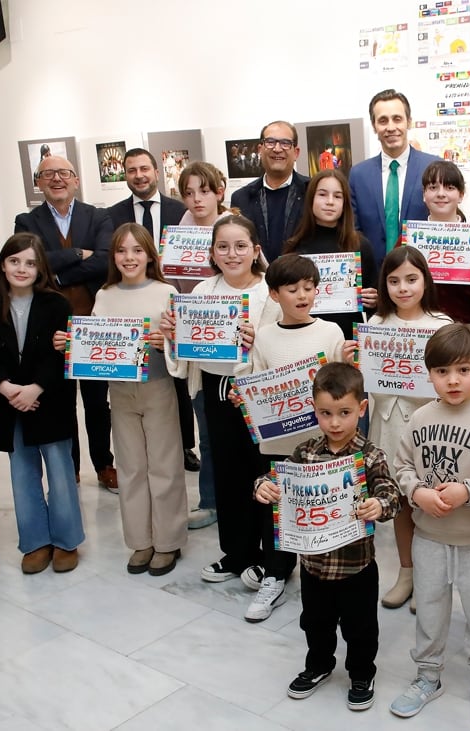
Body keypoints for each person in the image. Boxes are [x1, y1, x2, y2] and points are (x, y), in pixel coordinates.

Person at [389, 323, 470, 727]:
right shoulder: (419, 417)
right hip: (429, 536)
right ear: (428, 374)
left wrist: (469, 490)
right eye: (442, 371)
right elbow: (401, 466)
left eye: (463, 370)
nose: (452, 380)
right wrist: (418, 494)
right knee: (429, 610)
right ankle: (428, 676)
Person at [251, 363, 400, 711]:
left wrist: (379, 504)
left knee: (361, 628)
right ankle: (318, 665)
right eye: (326, 413)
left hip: (357, 566)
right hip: (314, 565)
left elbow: (391, 492)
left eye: (344, 413)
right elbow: (275, 478)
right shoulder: (304, 452)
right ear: (314, 409)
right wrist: (264, 486)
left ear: (361, 409)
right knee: (314, 622)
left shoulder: (370, 455)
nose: (335, 423)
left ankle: (362, 672)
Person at [56, 224, 185, 576]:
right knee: (130, 467)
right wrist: (71, 345)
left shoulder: (166, 291)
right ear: (113, 257)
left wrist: (167, 342)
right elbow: (95, 346)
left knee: (163, 465)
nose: (129, 258)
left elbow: (180, 343)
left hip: (157, 387)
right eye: (122, 251)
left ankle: (168, 541)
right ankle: (140, 540)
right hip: (120, 391)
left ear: (149, 255)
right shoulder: (105, 294)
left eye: (137, 251)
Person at [162, 216, 283, 587]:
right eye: (223, 247)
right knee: (227, 472)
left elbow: (283, 345)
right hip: (215, 387)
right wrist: (174, 334)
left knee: (260, 470)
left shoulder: (271, 294)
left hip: (257, 391)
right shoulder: (201, 291)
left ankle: (270, 558)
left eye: (241, 246)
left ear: (256, 251)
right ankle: (236, 553)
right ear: (212, 252)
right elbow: (186, 357)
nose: (232, 254)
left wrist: (258, 338)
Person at [234, 254, 350, 622]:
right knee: (277, 511)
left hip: (321, 443)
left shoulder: (331, 332)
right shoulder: (264, 338)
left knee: (324, 507)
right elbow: (254, 385)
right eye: (292, 288)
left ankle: (330, 576)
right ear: (274, 294)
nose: (302, 295)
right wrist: (245, 393)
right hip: (278, 444)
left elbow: (342, 386)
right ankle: (275, 574)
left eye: (309, 287)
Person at [0, 233, 84, 575]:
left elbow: (60, 354)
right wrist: (7, 389)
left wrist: (36, 388)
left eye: (30, 263)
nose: (22, 268)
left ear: (41, 269)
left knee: (60, 472)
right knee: (22, 474)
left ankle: (66, 540)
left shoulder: (57, 304)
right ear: (3, 265)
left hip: (49, 400)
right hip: (10, 403)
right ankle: (35, 542)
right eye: (15, 261)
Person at [13, 154, 119, 493]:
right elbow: (34, 264)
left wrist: (54, 268)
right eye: (48, 174)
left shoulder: (98, 216)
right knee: (60, 401)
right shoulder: (26, 220)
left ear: (75, 179)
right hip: (52, 326)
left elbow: (105, 261)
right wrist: (77, 254)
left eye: (63, 173)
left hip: (92, 323)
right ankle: (68, 469)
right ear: (38, 183)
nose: (56, 179)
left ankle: (104, 464)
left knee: (96, 402)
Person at [366, 246, 453, 611]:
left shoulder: (442, 325)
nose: (403, 288)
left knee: (432, 503)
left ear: (425, 281)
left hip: (429, 429)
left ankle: (435, 579)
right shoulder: (374, 325)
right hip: (385, 423)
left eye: (411, 279)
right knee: (400, 502)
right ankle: (407, 572)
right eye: (394, 280)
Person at [106, 148, 200, 474]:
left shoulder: (180, 210)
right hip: (129, 301)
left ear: (156, 171)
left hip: (169, 297)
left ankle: (186, 445)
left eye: (144, 168)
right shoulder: (113, 213)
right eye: (131, 170)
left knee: (176, 386)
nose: (139, 175)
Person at [175, 161, 234, 530]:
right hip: (199, 347)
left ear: (219, 191)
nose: (197, 199)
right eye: (189, 192)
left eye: (204, 190)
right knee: (208, 431)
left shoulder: (233, 227)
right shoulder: (177, 234)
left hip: (235, 346)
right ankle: (211, 500)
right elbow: (172, 287)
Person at [349, 89, 442, 272]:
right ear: (375, 126)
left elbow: (446, 221)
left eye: (397, 119)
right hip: (374, 283)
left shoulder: (434, 167)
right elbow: (353, 233)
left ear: (409, 122)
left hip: (422, 279)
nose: (391, 127)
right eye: (383, 120)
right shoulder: (358, 175)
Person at [282, 170, 379, 339]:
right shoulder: (294, 248)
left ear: (345, 203)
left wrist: (374, 300)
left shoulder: (360, 245)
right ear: (311, 199)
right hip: (305, 338)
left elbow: (376, 302)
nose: (330, 202)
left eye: (337, 196)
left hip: (349, 338)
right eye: (322, 194)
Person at [416, 160, 470, 325]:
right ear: (423, 194)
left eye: (449, 187)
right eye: (433, 187)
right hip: (421, 330)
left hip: (466, 333)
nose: (441, 194)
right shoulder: (410, 239)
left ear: (461, 195)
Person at [230, 121, 311, 261]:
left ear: (296, 152)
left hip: (302, 280)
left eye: (285, 143)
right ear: (260, 149)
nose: (277, 149)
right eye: (270, 142)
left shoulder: (312, 191)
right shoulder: (241, 198)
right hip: (257, 280)